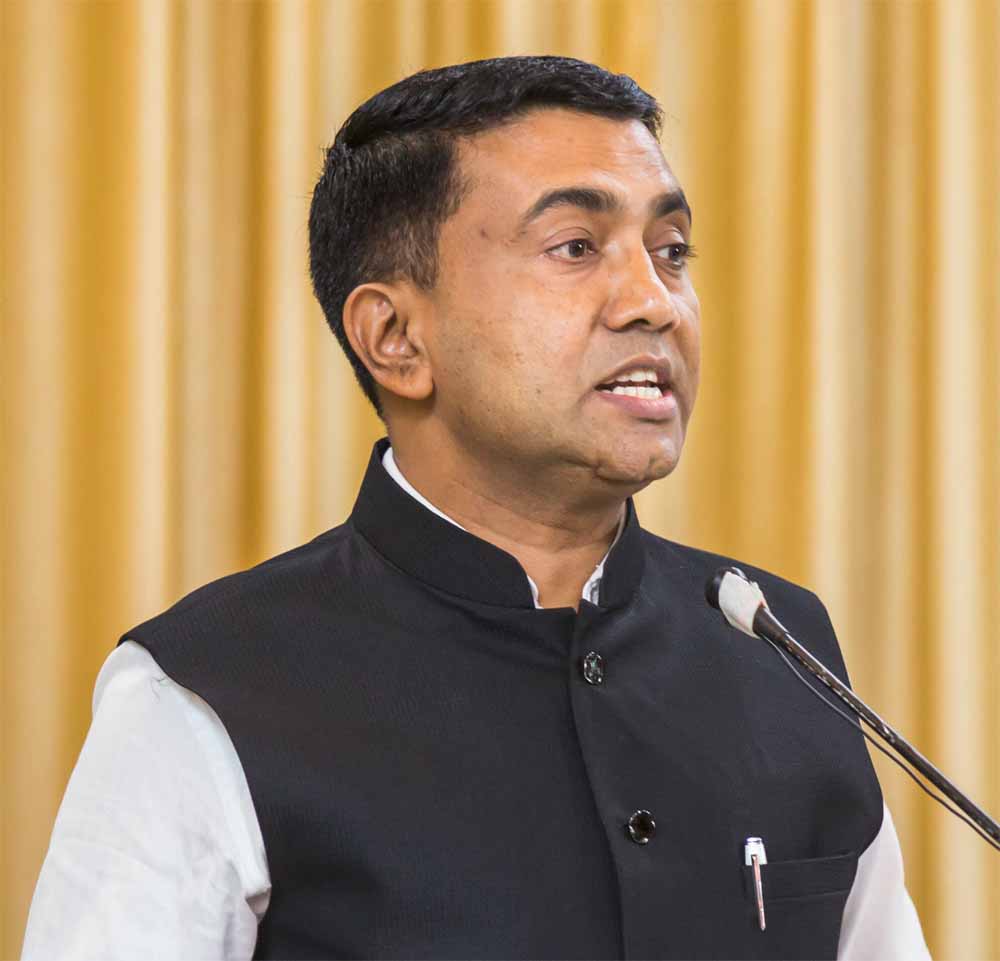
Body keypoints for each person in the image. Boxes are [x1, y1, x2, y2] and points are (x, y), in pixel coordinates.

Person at [22, 56, 929, 960]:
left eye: (671, 252)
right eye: (576, 247)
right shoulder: (203, 693)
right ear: (395, 337)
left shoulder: (783, 654)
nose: (655, 303)